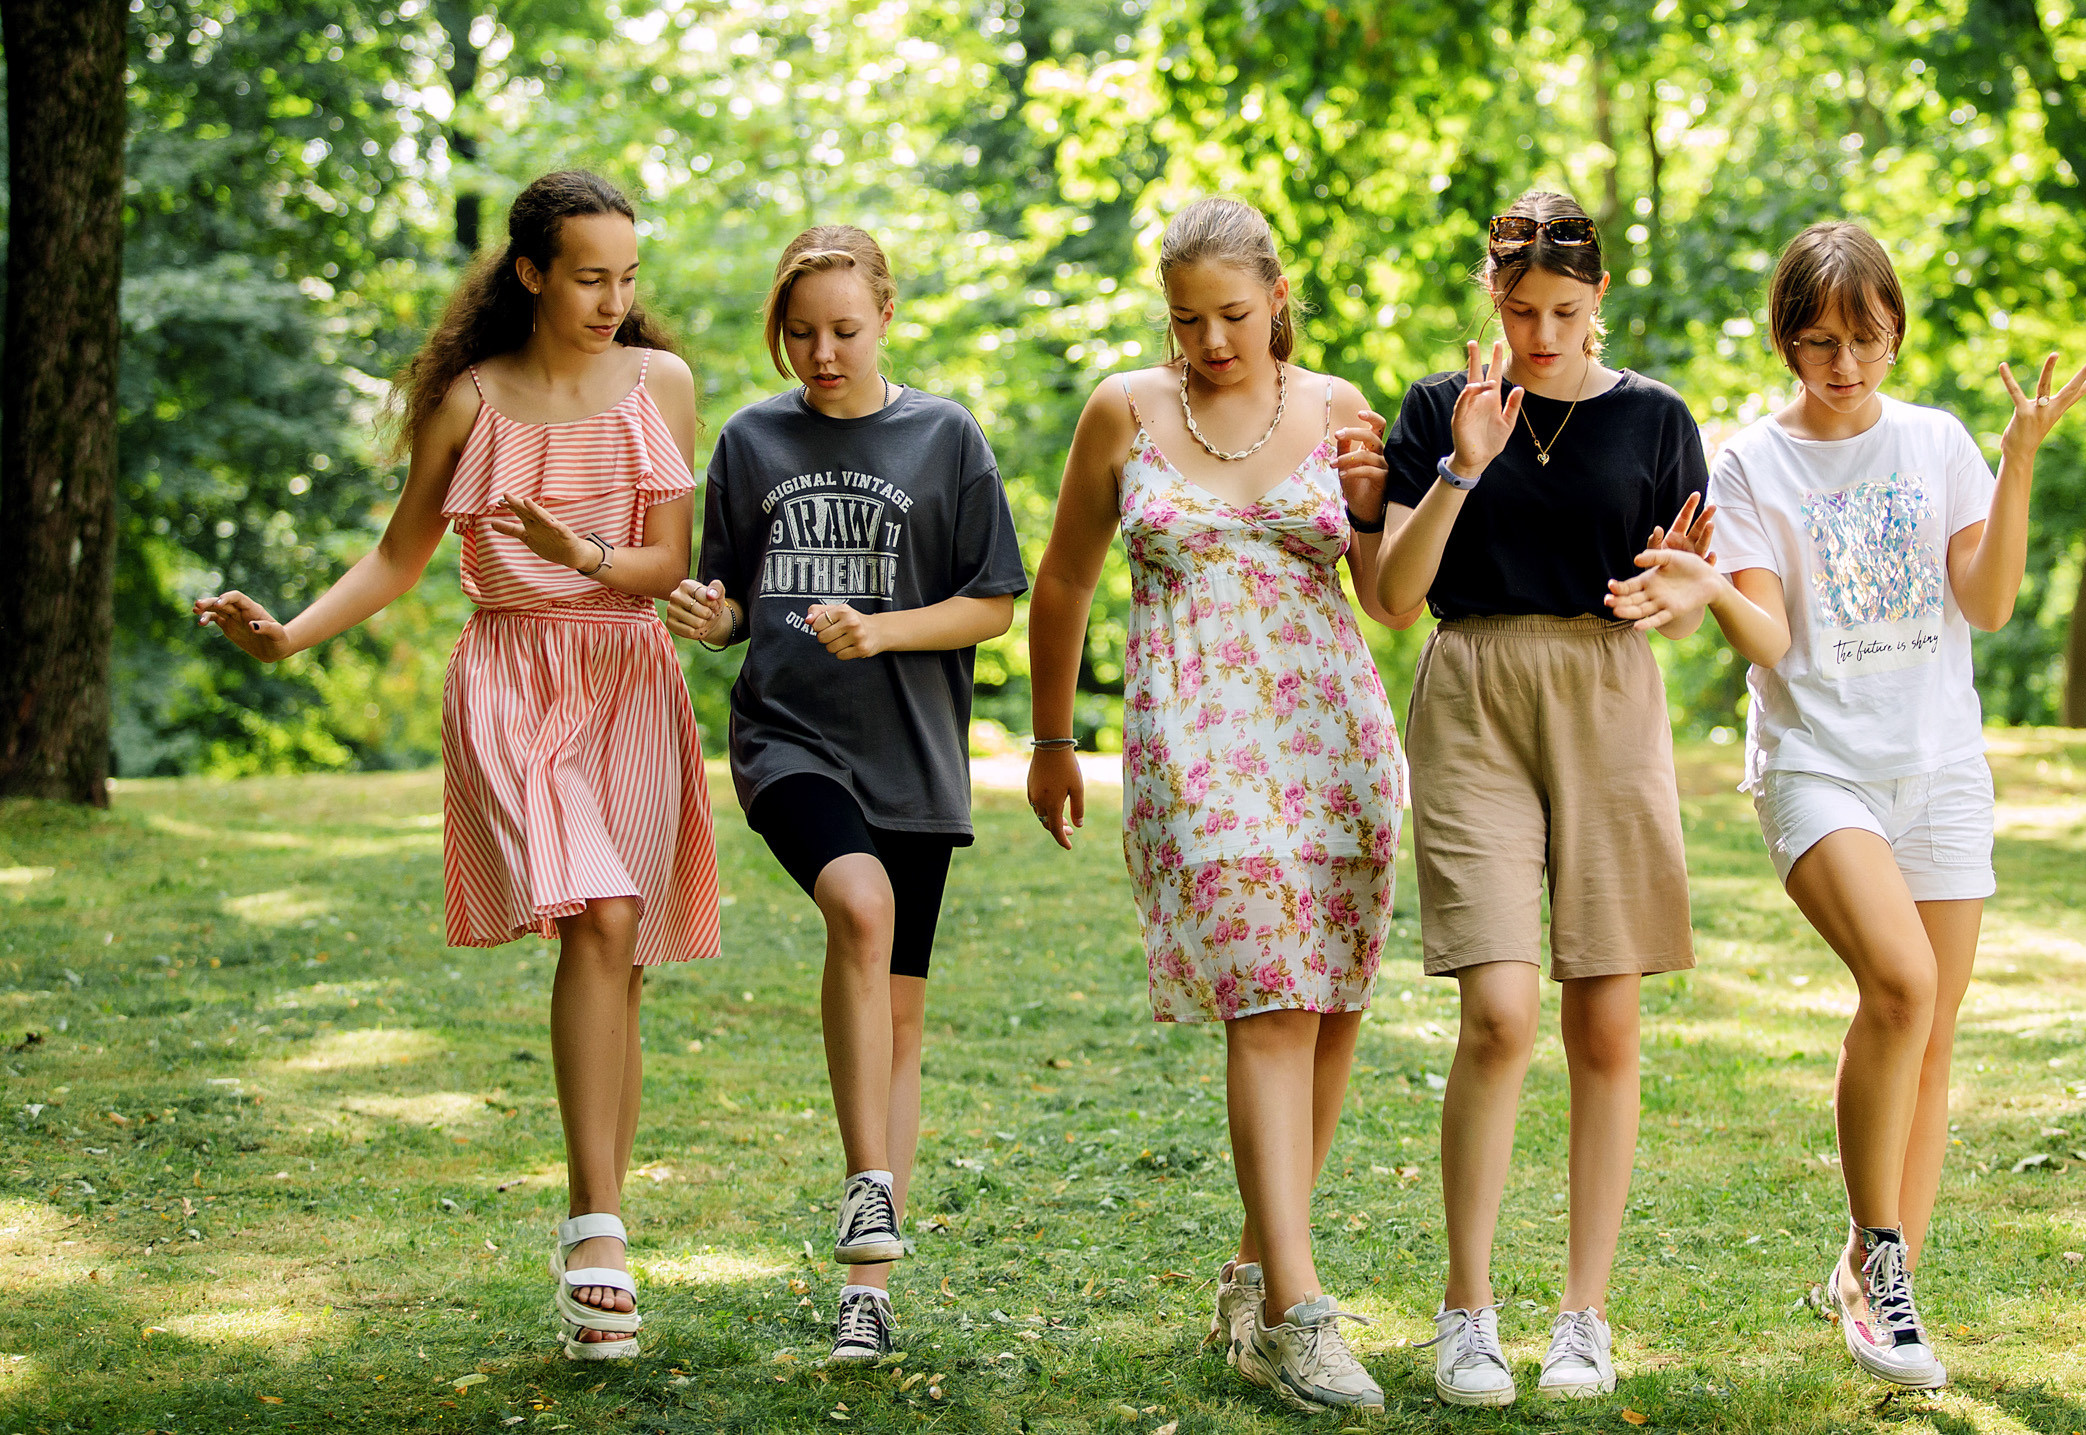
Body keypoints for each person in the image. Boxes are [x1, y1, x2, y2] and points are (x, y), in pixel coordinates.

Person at [195, 170, 719, 1362]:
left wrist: (574, 545)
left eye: (628, 277)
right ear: (531, 271)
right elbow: (398, 556)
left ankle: (606, 1227)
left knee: (621, 952)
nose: (613, 299)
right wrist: (286, 634)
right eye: (591, 276)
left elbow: (659, 566)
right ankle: (595, 1236)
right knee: (602, 912)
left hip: (630, 675)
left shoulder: (663, 386)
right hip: (515, 676)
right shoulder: (472, 403)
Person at [1606, 220, 2086, 1390]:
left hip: (1939, 764)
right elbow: (1772, 635)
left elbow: (1984, 602)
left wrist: (2017, 455)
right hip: (1817, 763)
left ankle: (1883, 1283)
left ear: (1894, 333)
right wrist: (1708, 589)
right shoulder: (1749, 463)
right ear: (1786, 337)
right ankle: (1880, 1259)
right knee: (1901, 982)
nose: (1844, 365)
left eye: (1867, 338)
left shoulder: (1935, 442)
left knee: (1929, 1032)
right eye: (1820, 341)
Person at [1024, 197, 1408, 1414]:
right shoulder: (1123, 410)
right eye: (1186, 319)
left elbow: (1389, 595)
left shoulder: (1340, 407)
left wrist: (1412, 487)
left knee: (1329, 1006)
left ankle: (1251, 1276)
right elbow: (1064, 579)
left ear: (1276, 296)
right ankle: (1302, 1313)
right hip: (1193, 747)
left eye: (1232, 315)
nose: (1210, 341)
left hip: (1333, 738)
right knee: (1270, 1002)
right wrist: (1050, 741)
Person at [1373, 189, 1720, 1406]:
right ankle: (1466, 1310)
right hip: (1470, 687)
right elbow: (1392, 593)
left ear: (1599, 300)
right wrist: (1463, 467)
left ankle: (1583, 1314)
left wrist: (1679, 596)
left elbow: (1693, 582)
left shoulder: (1657, 417)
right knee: (1499, 1014)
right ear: (1491, 295)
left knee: (1605, 1023)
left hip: (1608, 694)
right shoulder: (1436, 409)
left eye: (1565, 311)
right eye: (1520, 309)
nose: (1541, 334)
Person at [662, 225, 1025, 1363]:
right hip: (791, 740)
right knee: (856, 908)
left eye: (843, 329)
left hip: (914, 756)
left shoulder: (945, 436)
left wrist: (882, 631)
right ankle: (868, 1181)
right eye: (801, 331)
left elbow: (993, 602)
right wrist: (705, 613)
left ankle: (867, 1290)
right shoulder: (750, 439)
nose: (821, 352)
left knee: (900, 1022)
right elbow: (731, 598)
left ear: (885, 316)